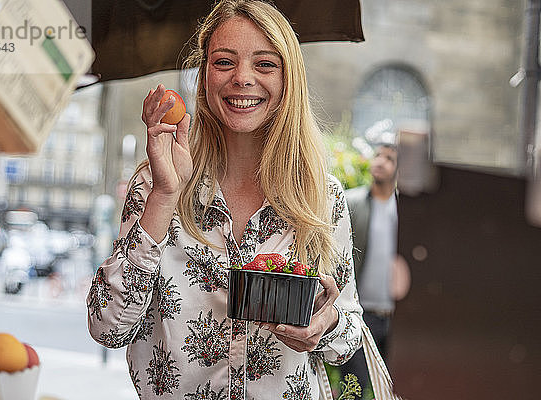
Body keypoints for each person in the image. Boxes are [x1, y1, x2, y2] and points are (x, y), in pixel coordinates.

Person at [86, 1, 362, 399]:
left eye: (264, 64)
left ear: (289, 80)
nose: (243, 78)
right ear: (204, 77)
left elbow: (350, 326)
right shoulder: (157, 184)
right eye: (224, 62)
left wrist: (327, 322)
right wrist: (165, 196)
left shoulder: (321, 194)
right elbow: (107, 327)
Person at [332, 141, 409, 398]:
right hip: (363, 314)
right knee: (352, 387)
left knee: (393, 389)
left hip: (397, 316)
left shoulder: (407, 211)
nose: (380, 162)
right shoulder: (352, 203)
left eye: (389, 158)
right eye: (377, 155)